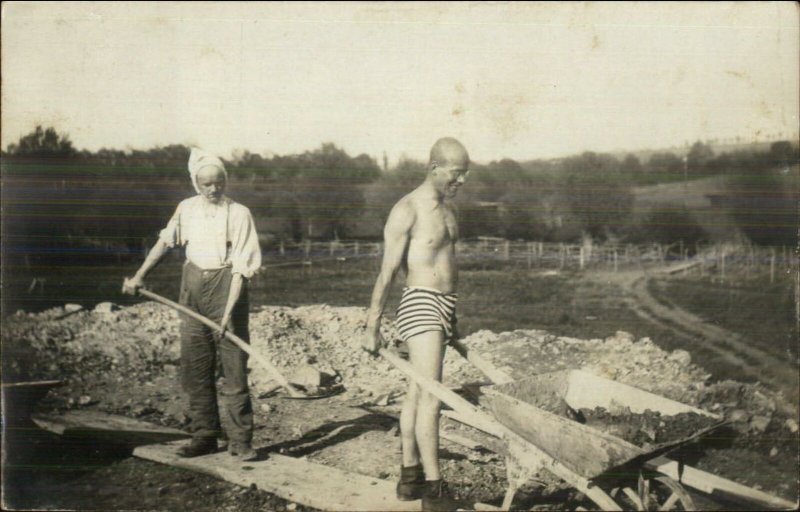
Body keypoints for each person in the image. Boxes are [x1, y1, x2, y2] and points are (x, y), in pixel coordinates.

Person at [123, 148, 262, 461]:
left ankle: (241, 441)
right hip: (193, 289)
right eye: (206, 184)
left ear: (225, 182)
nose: (213, 189)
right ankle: (204, 436)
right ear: (196, 185)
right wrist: (139, 276)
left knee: (233, 368)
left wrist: (227, 314)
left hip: (229, 287)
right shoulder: (186, 209)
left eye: (218, 183)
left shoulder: (239, 213)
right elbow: (165, 242)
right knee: (196, 367)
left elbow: (243, 265)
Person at [364, 137, 470, 511]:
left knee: (416, 392)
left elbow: (447, 268)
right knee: (431, 396)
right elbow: (388, 272)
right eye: (456, 174)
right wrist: (372, 325)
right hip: (420, 302)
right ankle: (434, 489)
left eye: (465, 175)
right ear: (434, 166)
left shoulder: (449, 211)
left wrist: (452, 321)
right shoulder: (406, 209)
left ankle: (409, 477)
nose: (461, 181)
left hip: (443, 306)